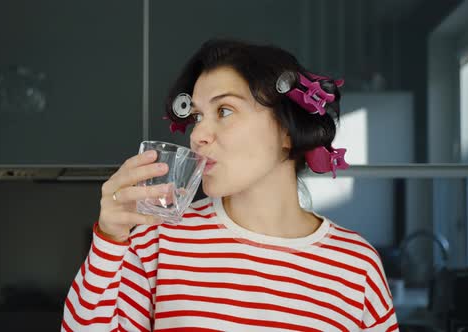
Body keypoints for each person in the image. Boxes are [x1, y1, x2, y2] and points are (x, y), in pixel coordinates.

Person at [61, 38, 398, 331]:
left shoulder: (356, 266)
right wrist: (107, 241)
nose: (197, 136)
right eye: (196, 117)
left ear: (286, 129)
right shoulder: (158, 239)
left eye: (223, 110)